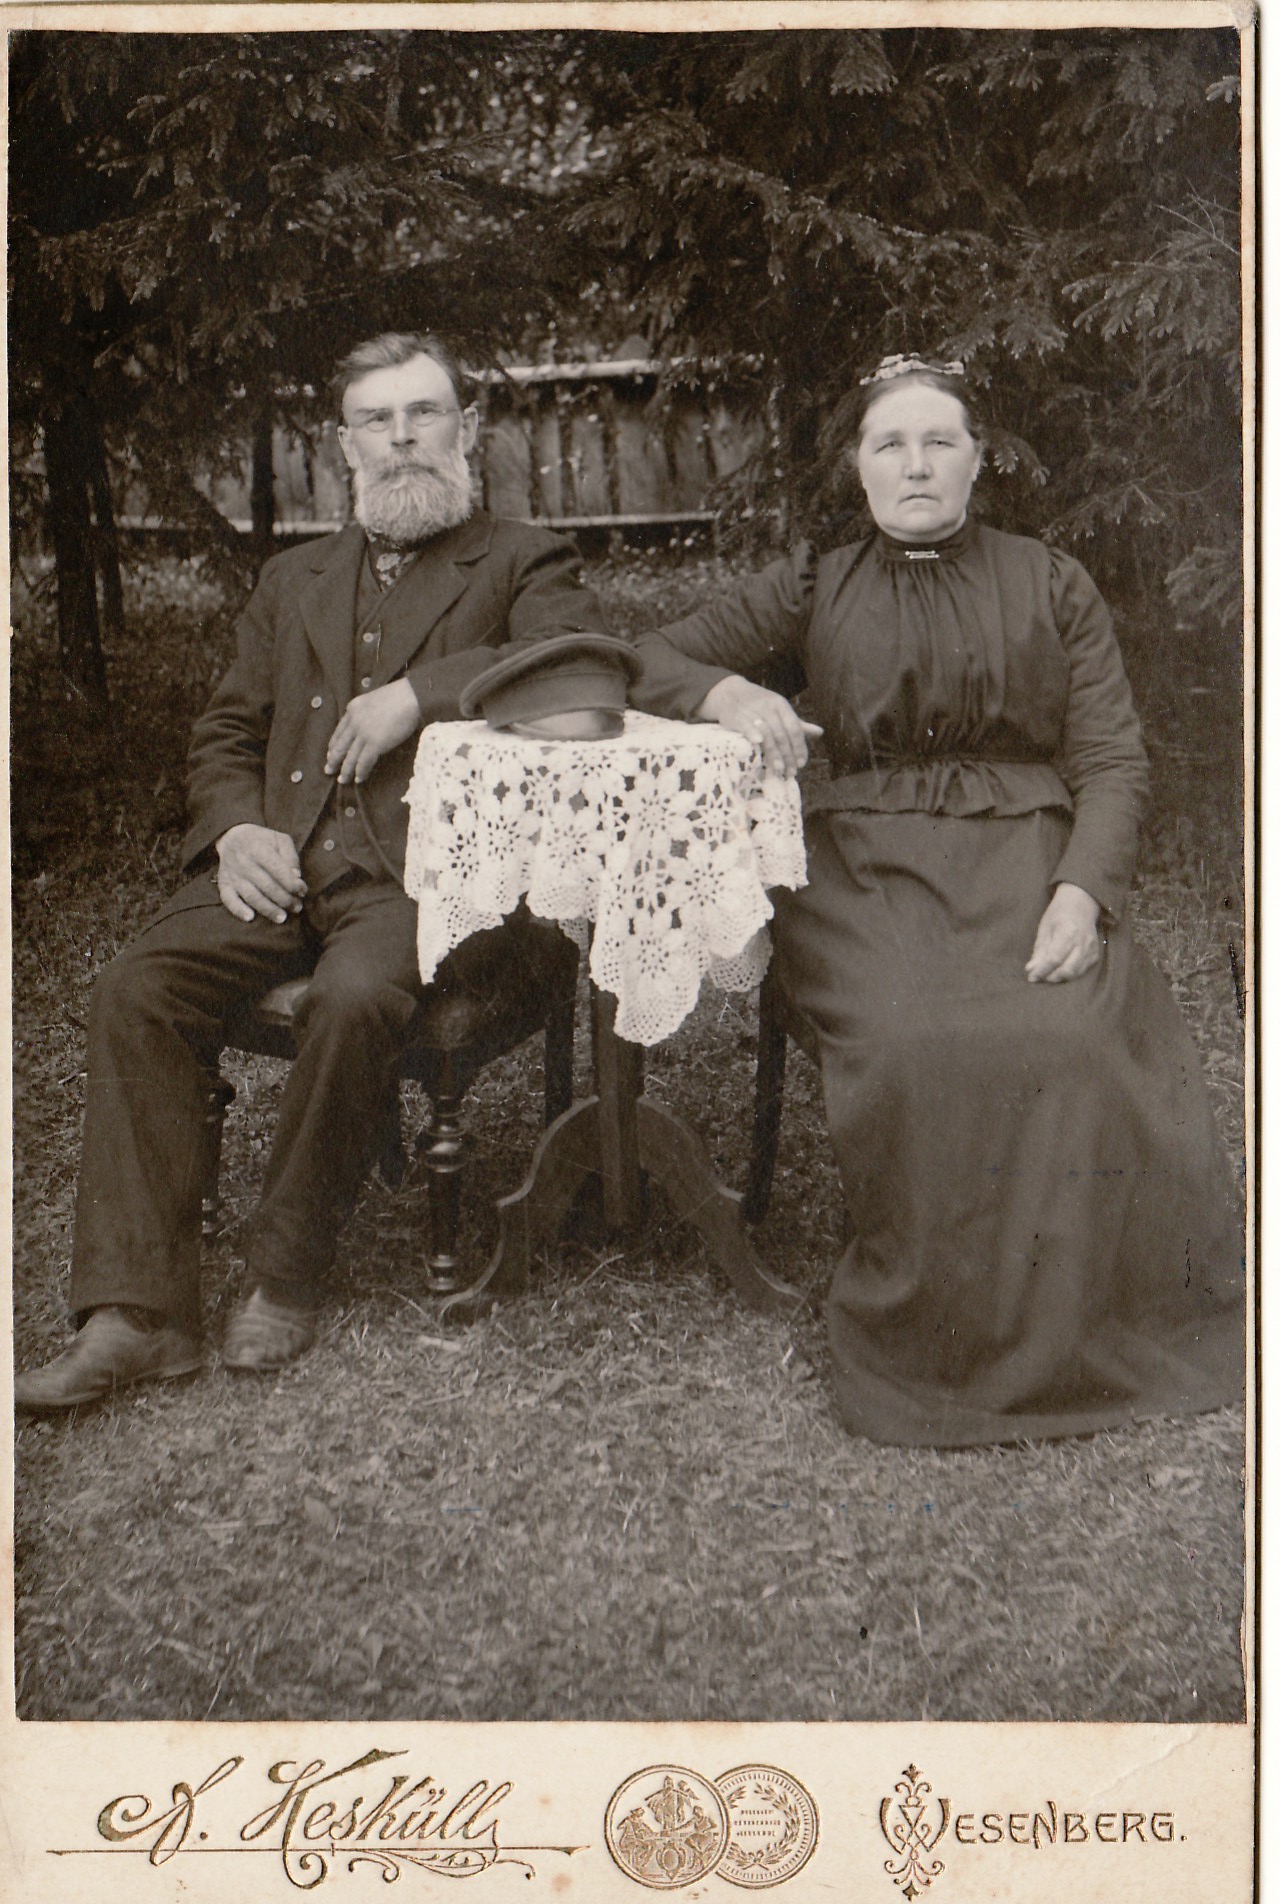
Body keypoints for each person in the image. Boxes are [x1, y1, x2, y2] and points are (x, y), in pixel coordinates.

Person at [630, 352, 1244, 1447]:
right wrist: (724, 692)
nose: (915, 465)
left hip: (1024, 861)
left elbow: (1111, 755)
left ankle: (1082, 1330)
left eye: (938, 442)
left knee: (1073, 1037)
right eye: (890, 444)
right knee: (913, 1040)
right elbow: (641, 657)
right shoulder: (815, 582)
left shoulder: (1050, 581)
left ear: (976, 460)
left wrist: (1082, 892)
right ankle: (938, 1341)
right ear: (858, 467)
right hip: (861, 871)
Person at [16, 331, 608, 1412]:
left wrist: (420, 695)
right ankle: (138, 1315)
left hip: (432, 877)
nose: (402, 438)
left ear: (467, 428)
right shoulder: (294, 578)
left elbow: (569, 667)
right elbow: (226, 730)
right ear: (345, 446)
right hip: (285, 865)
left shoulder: (524, 558)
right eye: (377, 420)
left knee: (352, 996)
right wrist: (237, 829)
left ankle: (284, 1273)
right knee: (137, 986)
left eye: (424, 413)